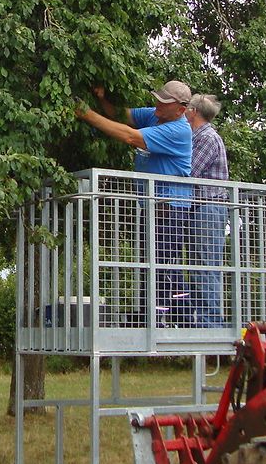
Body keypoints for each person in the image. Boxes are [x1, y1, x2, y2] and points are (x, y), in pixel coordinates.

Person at [76, 81, 193, 326]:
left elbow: (131, 136)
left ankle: (160, 319)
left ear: (181, 109)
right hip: (152, 205)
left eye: (165, 102)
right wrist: (102, 99)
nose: (158, 103)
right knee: (156, 263)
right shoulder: (155, 115)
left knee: (161, 264)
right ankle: (171, 316)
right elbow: (122, 115)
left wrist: (87, 114)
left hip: (169, 206)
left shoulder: (178, 130)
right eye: (159, 98)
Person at [185, 93, 229, 327]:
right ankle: (203, 321)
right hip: (202, 207)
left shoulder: (206, 138)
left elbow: (189, 171)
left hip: (208, 207)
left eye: (186, 109)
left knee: (205, 266)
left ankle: (210, 324)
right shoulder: (200, 137)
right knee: (199, 266)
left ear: (193, 112)